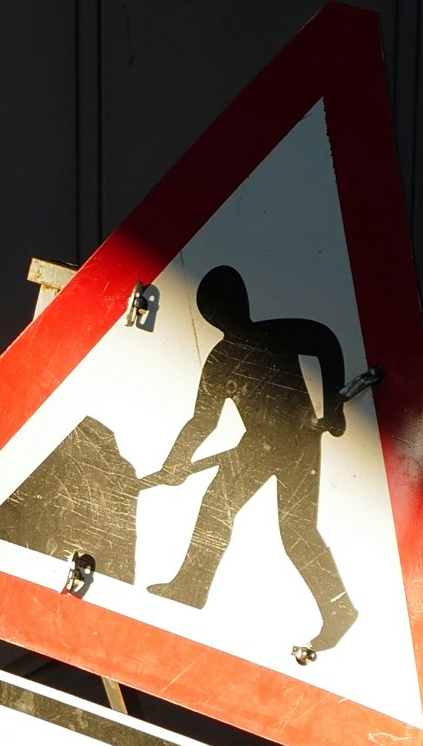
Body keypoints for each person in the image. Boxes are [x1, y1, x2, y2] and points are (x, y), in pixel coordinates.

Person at [142, 264, 355, 664]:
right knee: (216, 507)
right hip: (256, 445)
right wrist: (175, 462)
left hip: (298, 440)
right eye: (218, 313)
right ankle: (191, 587)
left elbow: (326, 341)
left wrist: (335, 404)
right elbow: (202, 419)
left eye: (226, 308)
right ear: (212, 318)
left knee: (295, 531)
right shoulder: (221, 360)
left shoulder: (276, 333)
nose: (225, 318)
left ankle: (339, 610)